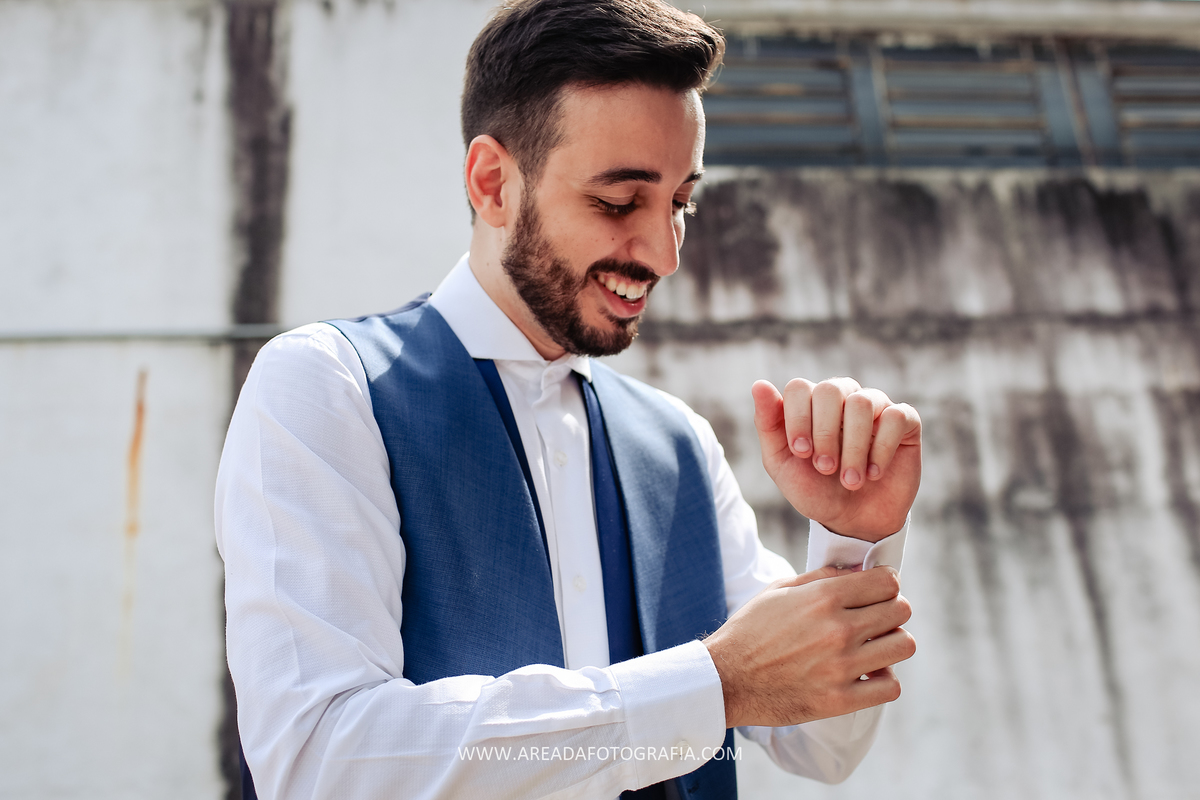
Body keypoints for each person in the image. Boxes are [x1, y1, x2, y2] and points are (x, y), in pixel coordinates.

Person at [215, 1, 922, 798]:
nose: (663, 252)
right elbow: (321, 762)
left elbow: (821, 749)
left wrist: (850, 545)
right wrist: (710, 687)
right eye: (620, 202)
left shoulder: (678, 442)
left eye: (681, 203)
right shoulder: (330, 387)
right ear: (493, 184)